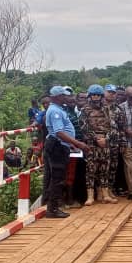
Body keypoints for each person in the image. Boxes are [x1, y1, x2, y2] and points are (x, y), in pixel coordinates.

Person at [43, 85, 91, 218]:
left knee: (59, 177)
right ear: (58, 97)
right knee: (57, 178)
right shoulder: (55, 111)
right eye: (64, 95)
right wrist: (78, 143)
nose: (66, 97)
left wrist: (71, 144)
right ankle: (53, 209)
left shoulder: (58, 109)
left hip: (61, 145)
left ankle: (53, 207)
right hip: (57, 146)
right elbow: (59, 132)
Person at [79, 84, 118, 205]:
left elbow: (113, 126)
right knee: (91, 170)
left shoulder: (107, 109)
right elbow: (83, 127)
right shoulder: (85, 110)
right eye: (93, 95)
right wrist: (96, 138)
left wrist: (106, 139)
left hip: (105, 144)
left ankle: (105, 195)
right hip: (92, 144)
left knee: (105, 169)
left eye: (98, 95)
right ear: (90, 96)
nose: (96, 97)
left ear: (101, 96)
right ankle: (90, 197)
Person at [104, 84, 127, 201]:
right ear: (104, 92)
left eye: (113, 93)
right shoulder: (98, 107)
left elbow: (122, 128)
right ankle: (102, 191)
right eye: (109, 92)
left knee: (113, 167)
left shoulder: (118, 109)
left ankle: (110, 189)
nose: (111, 94)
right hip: (101, 143)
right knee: (102, 167)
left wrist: (122, 143)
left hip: (115, 143)